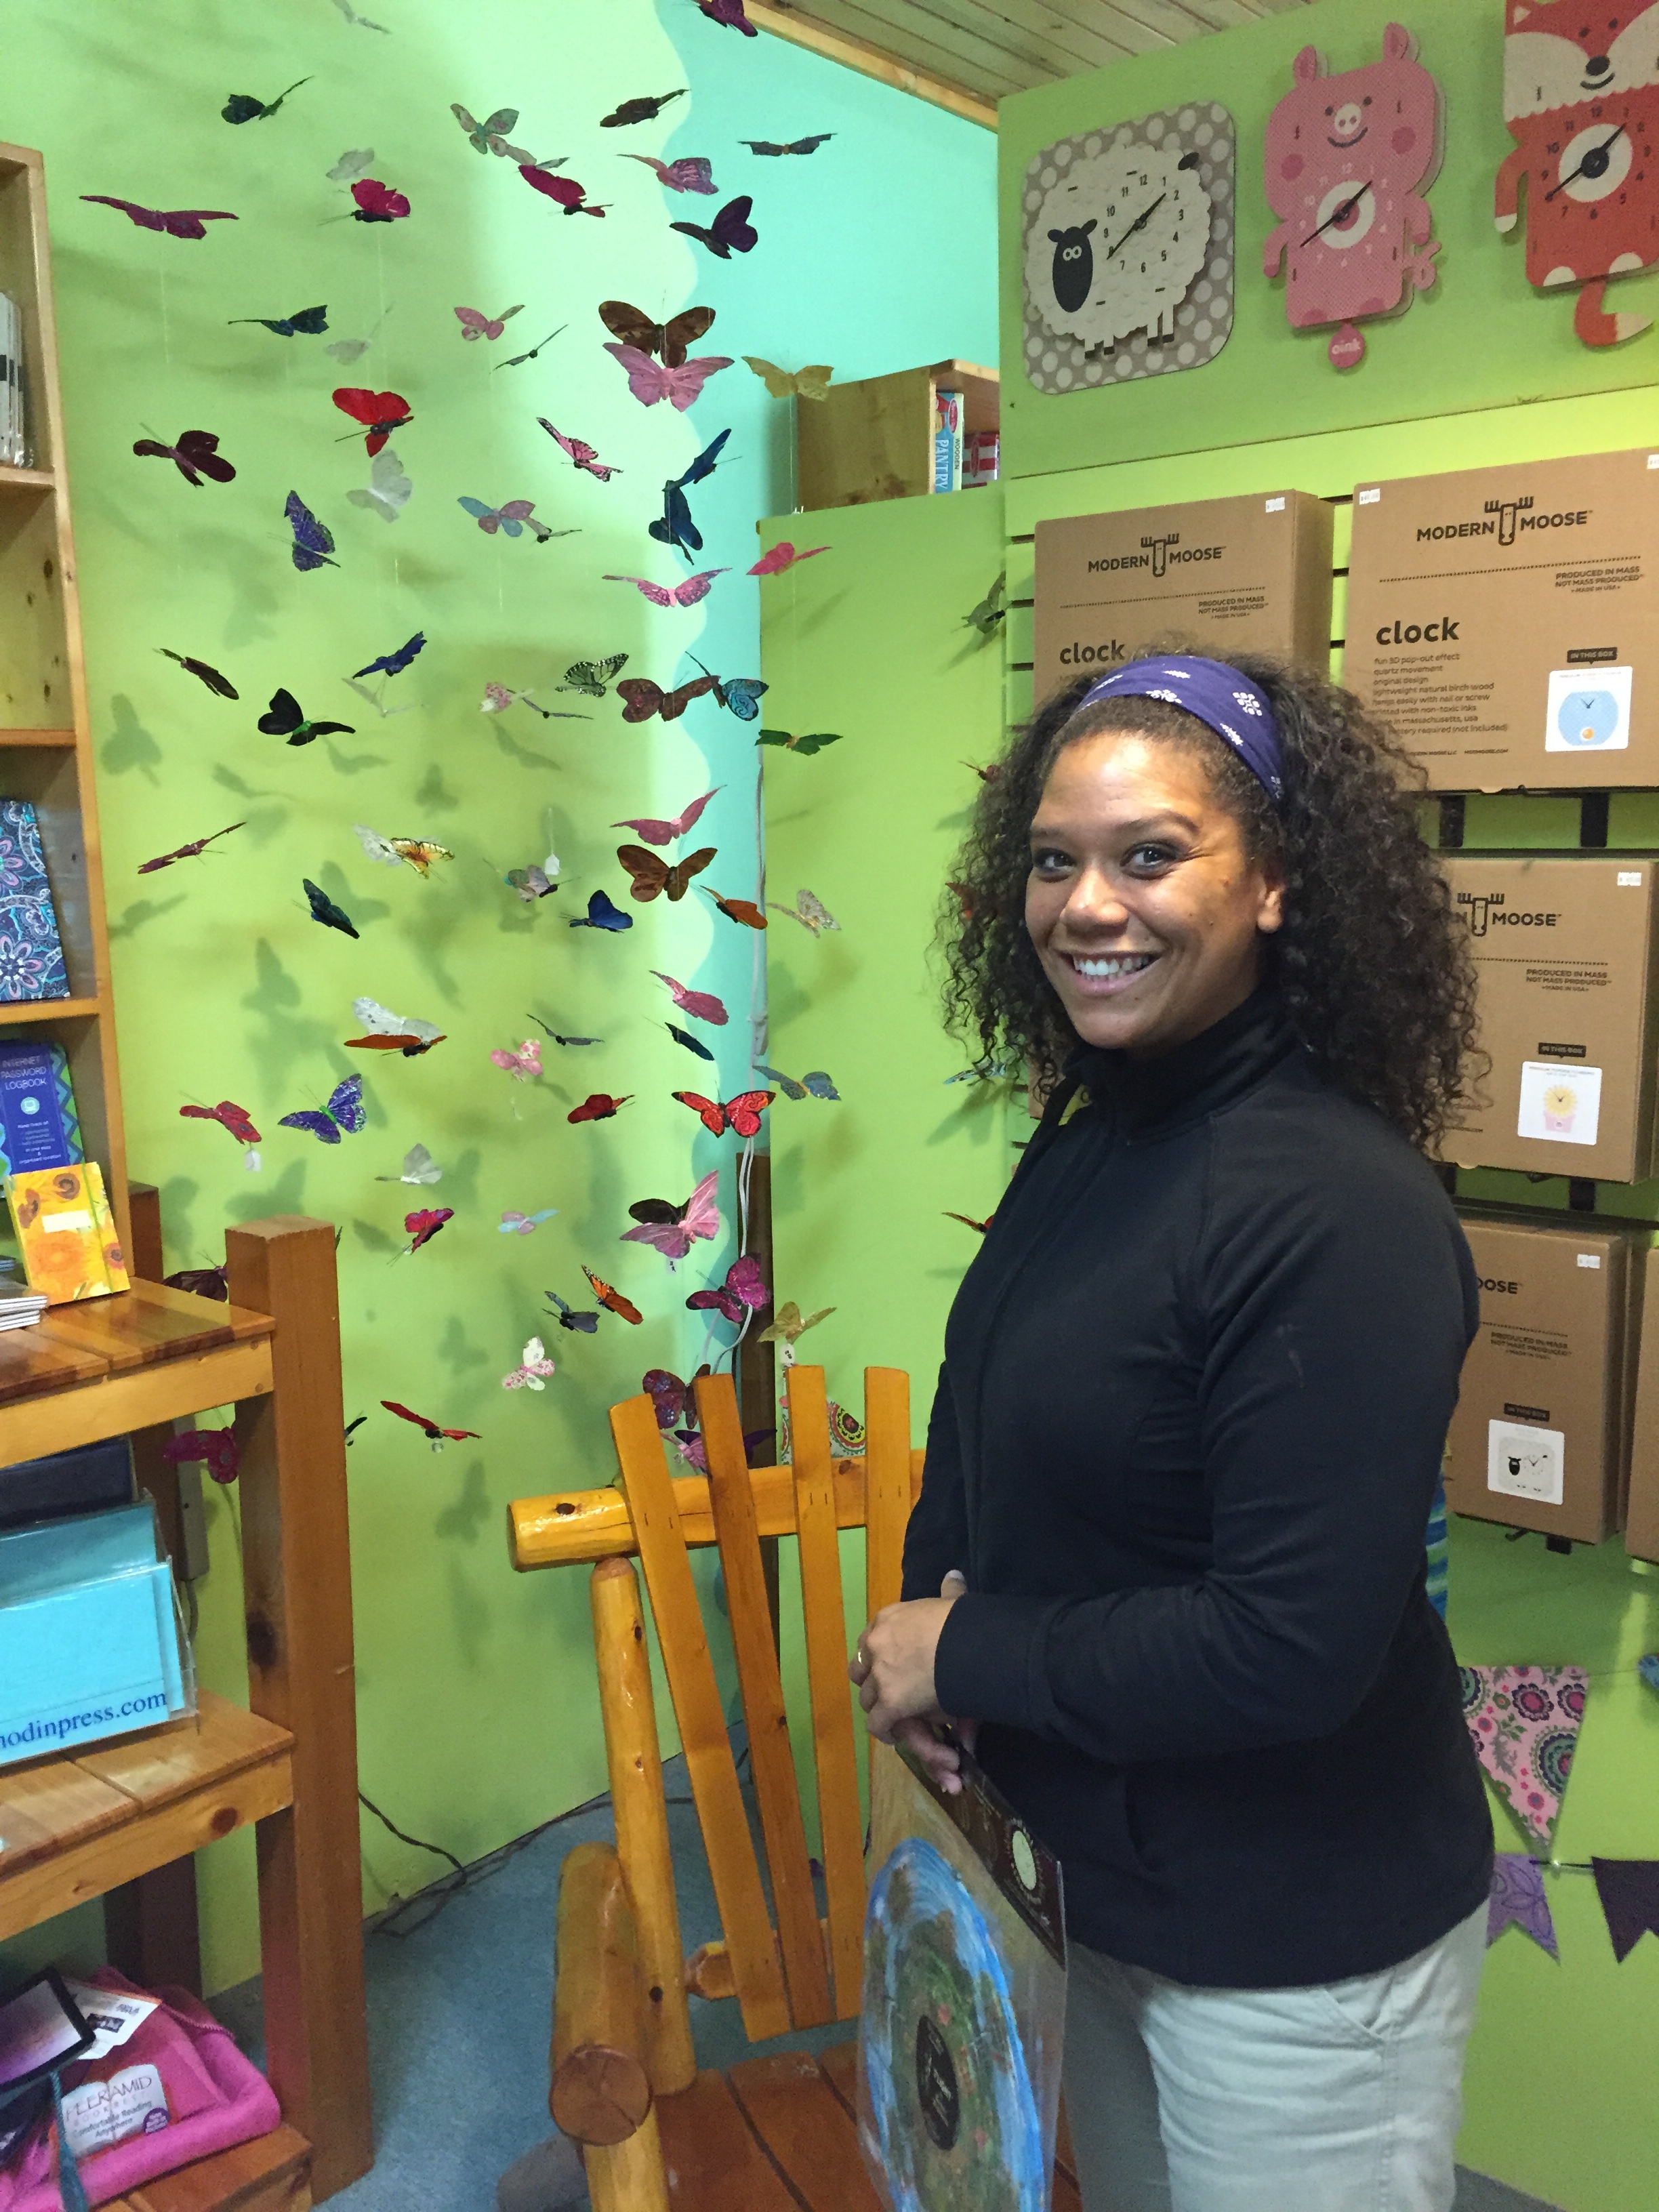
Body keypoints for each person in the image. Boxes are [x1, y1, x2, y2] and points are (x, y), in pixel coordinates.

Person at [848, 651, 1494, 2212]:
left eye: (1150, 856)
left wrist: (968, 1651)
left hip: (1293, 1942)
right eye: (1052, 862)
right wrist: (945, 1636)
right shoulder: (1092, 1139)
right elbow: (987, 1414)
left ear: (1274, 882)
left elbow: (1289, 1646)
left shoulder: (1336, 1209)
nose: (1088, 906)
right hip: (1091, 1882)